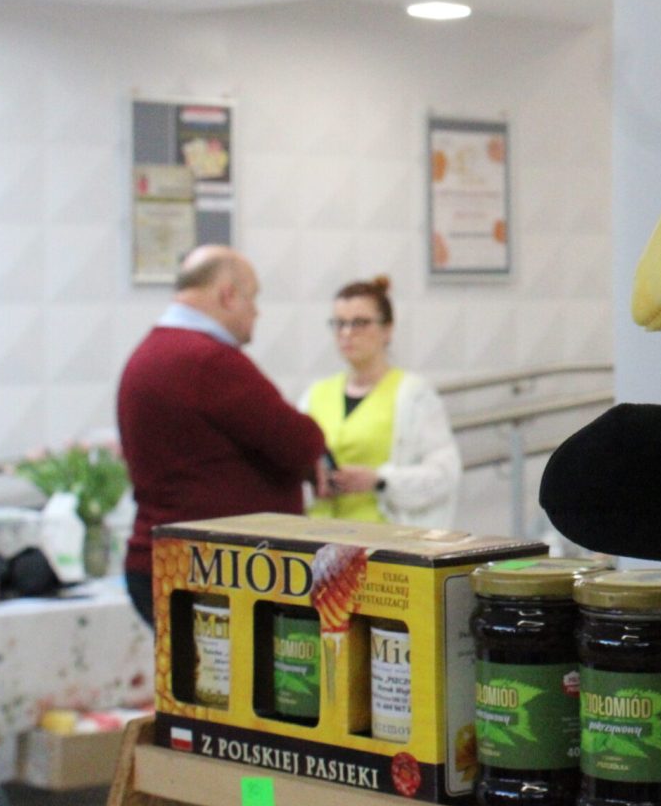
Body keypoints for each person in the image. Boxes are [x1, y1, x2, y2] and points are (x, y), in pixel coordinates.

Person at [118, 246, 326, 626]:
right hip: (212, 571)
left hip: (168, 559)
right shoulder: (207, 360)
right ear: (228, 295)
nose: (257, 312)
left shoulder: (150, 352)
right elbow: (299, 442)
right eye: (253, 297)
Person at [299, 276, 461, 528]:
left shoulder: (413, 395)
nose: (347, 333)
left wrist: (380, 480)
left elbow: (444, 474)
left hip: (383, 537)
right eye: (339, 323)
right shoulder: (315, 394)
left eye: (360, 323)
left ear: (387, 329)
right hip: (319, 536)